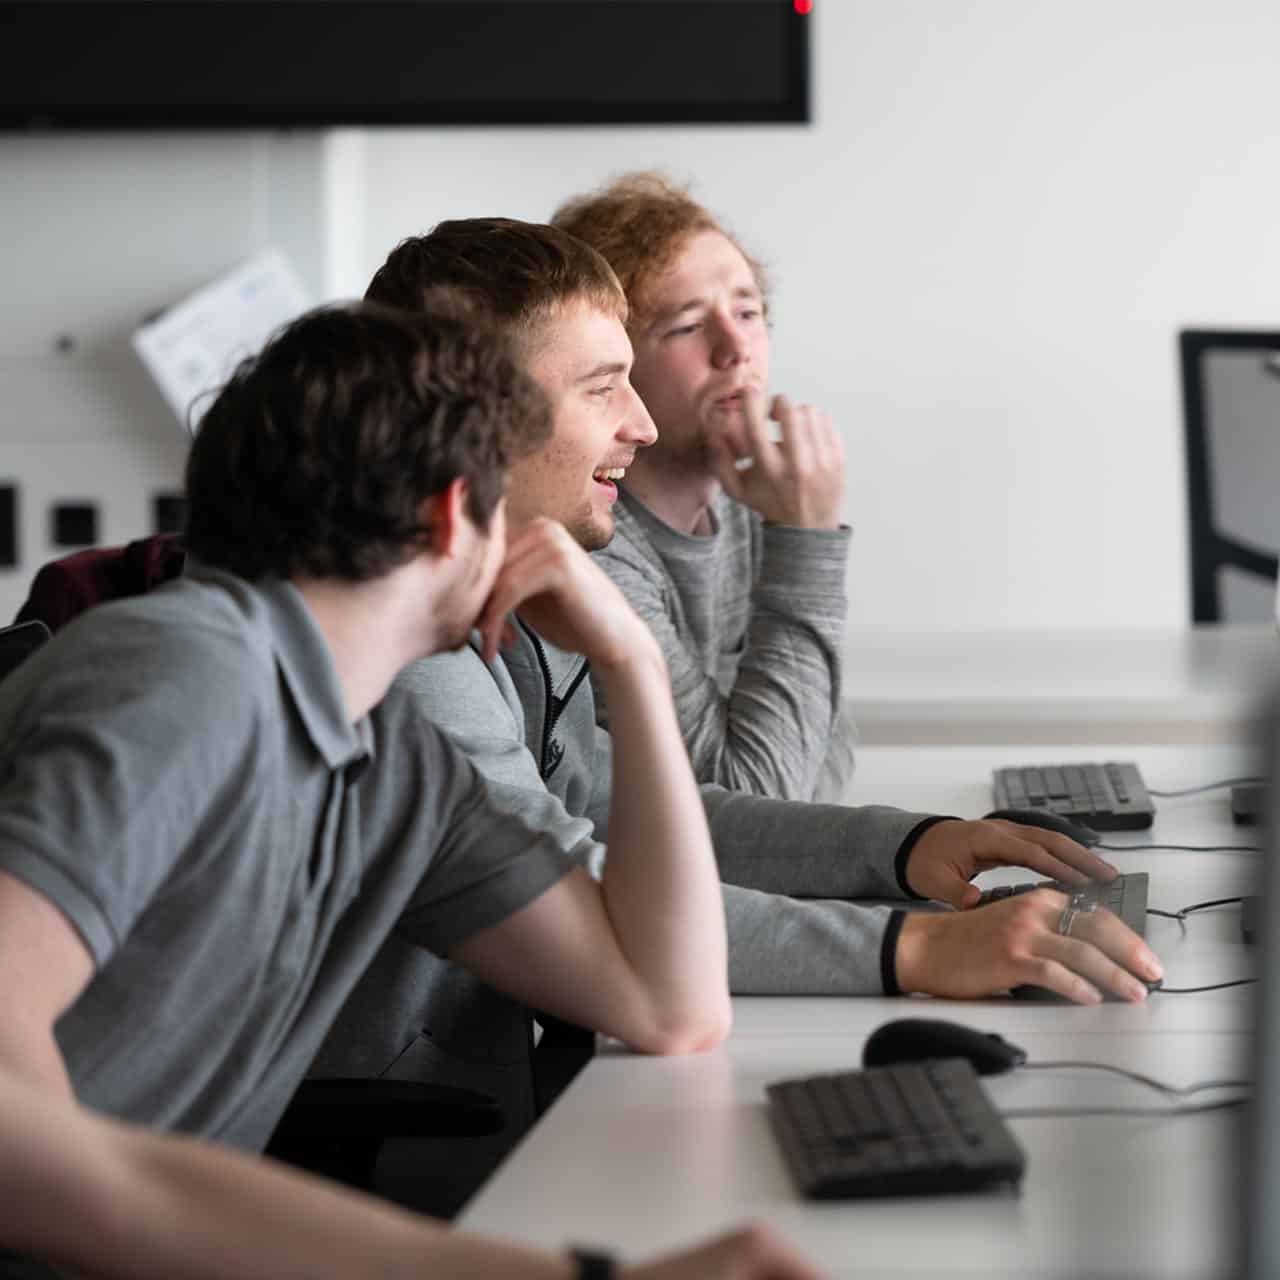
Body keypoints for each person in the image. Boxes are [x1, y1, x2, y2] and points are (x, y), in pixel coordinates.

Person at [312, 221, 1164, 1200]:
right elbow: (595, 911)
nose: (633, 421)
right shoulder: (400, 660)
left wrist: (900, 846)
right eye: (601, 387)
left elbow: (612, 808)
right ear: (471, 422)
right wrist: (916, 945)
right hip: (399, 1165)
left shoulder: (514, 583)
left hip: (508, 1100)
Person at [0, 301, 796, 1279]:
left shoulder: (379, 752)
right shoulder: (193, 673)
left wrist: (631, 659)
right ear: (452, 512)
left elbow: (667, 1001)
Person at [552, 171, 855, 803]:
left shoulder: (746, 500)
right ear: (612, 361)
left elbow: (831, 741)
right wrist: (808, 541)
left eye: (748, 312)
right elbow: (761, 799)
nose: (736, 347)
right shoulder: (594, 546)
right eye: (688, 326)